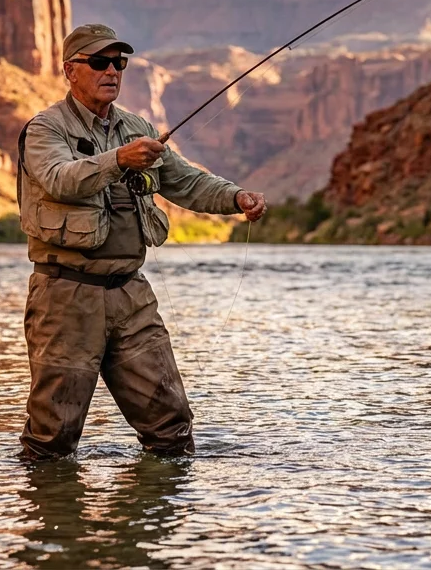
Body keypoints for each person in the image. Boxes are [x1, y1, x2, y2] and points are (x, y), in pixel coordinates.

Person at [16, 23, 267, 460]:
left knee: (172, 428)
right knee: (52, 439)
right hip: (66, 297)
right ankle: (53, 523)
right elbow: (59, 179)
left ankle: (154, 523)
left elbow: (185, 181)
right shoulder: (44, 129)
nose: (112, 70)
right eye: (99, 62)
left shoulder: (136, 127)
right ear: (69, 70)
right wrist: (118, 160)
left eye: (119, 62)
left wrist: (235, 197)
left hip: (131, 295)